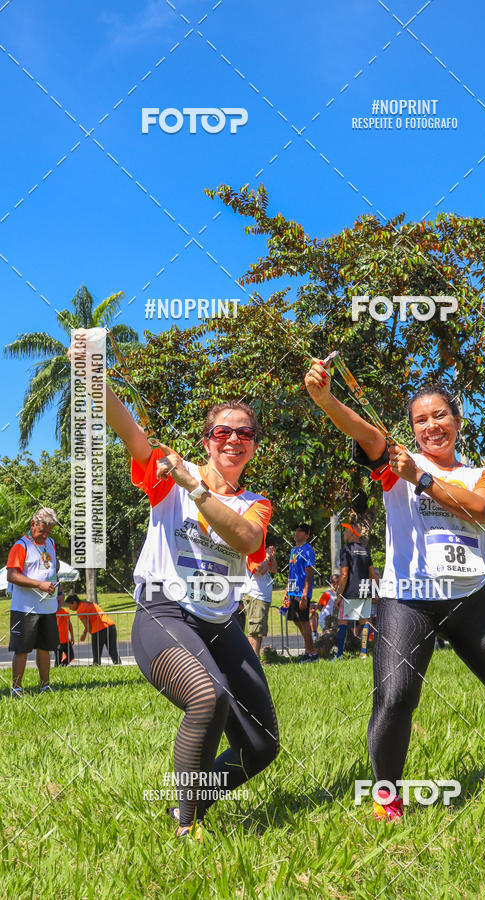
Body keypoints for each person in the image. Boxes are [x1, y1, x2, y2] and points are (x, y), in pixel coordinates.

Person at [304, 361, 485, 822]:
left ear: (457, 421)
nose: (431, 425)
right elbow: (365, 431)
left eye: (440, 416)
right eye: (420, 419)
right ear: (412, 429)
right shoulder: (393, 463)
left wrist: (422, 477)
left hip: (470, 599)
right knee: (394, 697)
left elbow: (482, 510)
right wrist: (325, 400)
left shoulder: (482, 473)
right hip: (406, 598)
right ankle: (386, 799)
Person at [82, 345, 280, 839]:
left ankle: (186, 799)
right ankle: (187, 828)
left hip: (219, 624)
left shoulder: (255, 503)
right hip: (164, 613)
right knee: (206, 696)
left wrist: (198, 490)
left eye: (244, 433)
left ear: (253, 445)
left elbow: (247, 539)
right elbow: (129, 431)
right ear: (208, 441)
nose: (233, 439)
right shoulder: (171, 472)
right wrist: (90, 373)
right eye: (222, 432)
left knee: (262, 745)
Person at [6, 508, 64, 696]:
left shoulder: (51, 543)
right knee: (22, 648)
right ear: (33, 524)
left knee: (45, 647)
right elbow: (12, 575)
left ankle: (45, 686)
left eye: (48, 532)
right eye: (42, 531)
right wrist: (39, 584)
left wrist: (60, 590)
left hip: (47, 606)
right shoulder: (20, 546)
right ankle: (16, 688)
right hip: (25, 608)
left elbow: (53, 569)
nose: (45, 535)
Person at [333, 524, 378, 660]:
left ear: (352, 533)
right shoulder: (365, 550)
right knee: (365, 620)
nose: (344, 533)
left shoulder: (346, 550)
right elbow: (372, 574)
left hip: (350, 591)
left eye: (346, 531)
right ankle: (363, 653)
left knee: (342, 622)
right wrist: (375, 592)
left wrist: (339, 595)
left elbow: (344, 575)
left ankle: (339, 655)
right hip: (365, 590)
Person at [283, 523, 317, 662]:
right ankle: (309, 648)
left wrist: (305, 594)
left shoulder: (308, 550)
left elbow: (309, 573)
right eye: (296, 530)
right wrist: (286, 590)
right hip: (293, 591)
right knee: (296, 620)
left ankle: (311, 653)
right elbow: (292, 572)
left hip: (302, 593)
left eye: (300, 531)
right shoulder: (293, 550)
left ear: (307, 535)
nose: (296, 533)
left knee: (303, 621)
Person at [241, 544, 278, 657]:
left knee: (259, 632)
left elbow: (274, 569)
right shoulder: (252, 552)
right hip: (255, 595)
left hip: (262, 597)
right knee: (255, 631)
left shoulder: (261, 554)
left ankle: (254, 660)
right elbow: (260, 570)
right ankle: (254, 662)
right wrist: (267, 556)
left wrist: (272, 557)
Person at [64, 594, 122, 665]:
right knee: (113, 650)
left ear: (75, 602)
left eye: (70, 606)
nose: (70, 608)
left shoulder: (80, 609)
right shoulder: (89, 603)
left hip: (98, 629)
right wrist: (85, 633)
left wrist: (93, 635)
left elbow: (87, 625)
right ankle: (118, 665)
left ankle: (96, 666)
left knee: (96, 654)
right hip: (111, 625)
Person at [55, 596, 75, 666]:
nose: (59, 604)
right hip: (57, 641)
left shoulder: (65, 611)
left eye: (60, 602)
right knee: (58, 659)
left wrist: (72, 636)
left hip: (66, 640)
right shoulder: (53, 613)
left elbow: (69, 624)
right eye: (57, 602)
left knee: (71, 656)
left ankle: (62, 666)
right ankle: (57, 670)